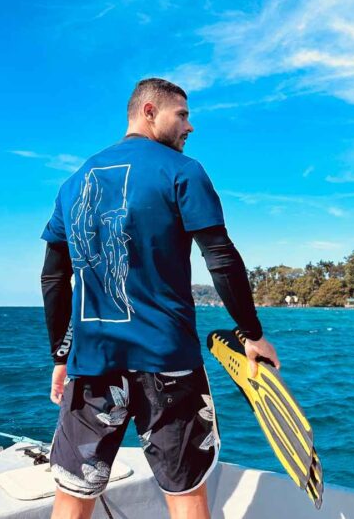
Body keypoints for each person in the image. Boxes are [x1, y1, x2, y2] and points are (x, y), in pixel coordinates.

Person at [40, 78, 280, 519]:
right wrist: (252, 334)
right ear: (149, 111)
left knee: (73, 497)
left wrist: (61, 355)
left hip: (92, 363)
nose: (190, 127)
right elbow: (221, 259)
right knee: (185, 494)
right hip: (168, 361)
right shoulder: (181, 171)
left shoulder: (73, 184)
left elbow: (53, 278)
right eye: (182, 115)